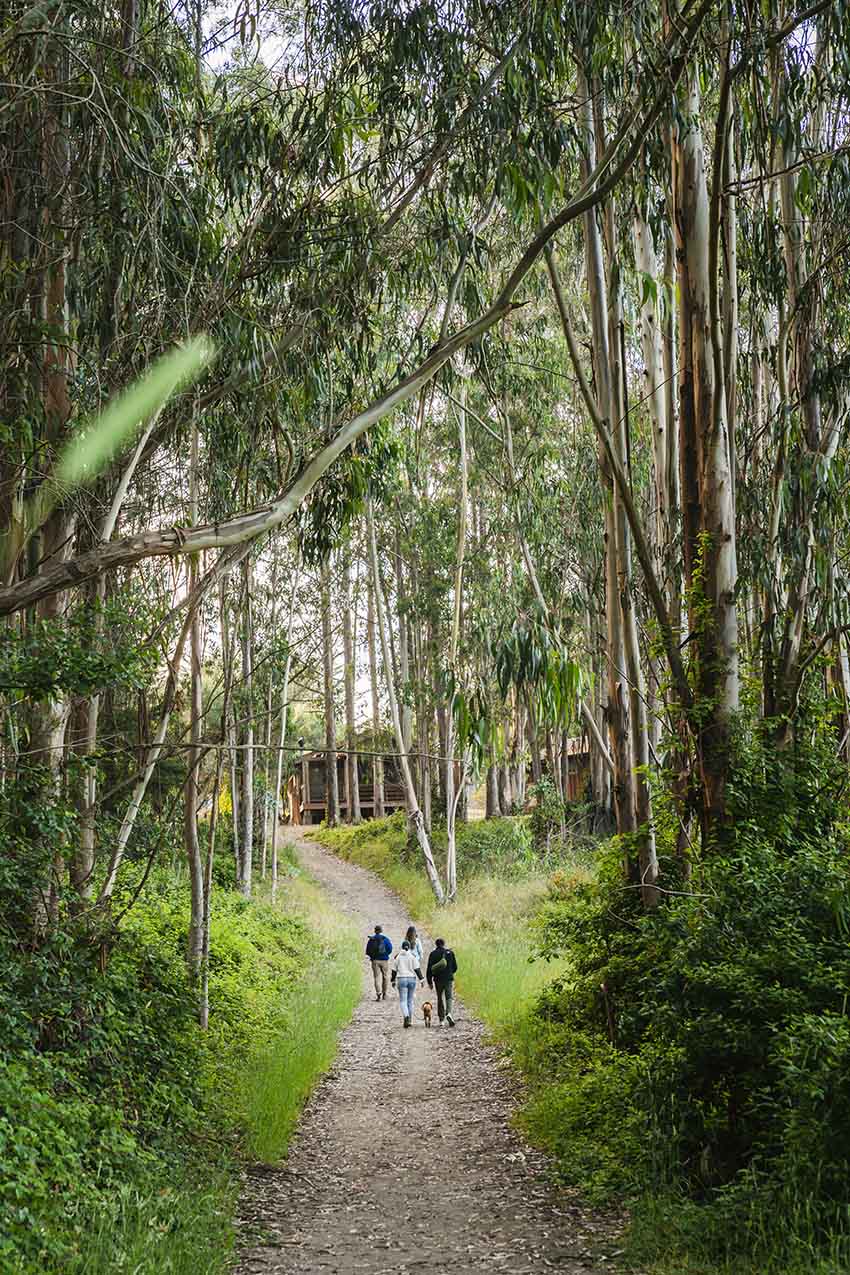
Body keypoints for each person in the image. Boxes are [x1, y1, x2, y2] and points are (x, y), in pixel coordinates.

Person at [391, 940, 424, 1027]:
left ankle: (406, 1016)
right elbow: (417, 969)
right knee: (410, 1000)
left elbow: (394, 970)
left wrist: (393, 981)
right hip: (411, 979)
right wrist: (422, 979)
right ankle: (409, 1020)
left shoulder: (398, 957)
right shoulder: (412, 956)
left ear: (402, 947)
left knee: (403, 1001)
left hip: (401, 979)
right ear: (409, 947)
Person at [426, 937, 458, 1026]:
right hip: (448, 979)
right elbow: (455, 967)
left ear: (436, 944)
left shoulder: (433, 954)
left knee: (440, 998)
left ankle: (441, 1020)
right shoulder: (450, 953)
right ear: (444, 944)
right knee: (449, 997)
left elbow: (429, 969)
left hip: (438, 980)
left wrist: (429, 982)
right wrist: (450, 973)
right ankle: (449, 1013)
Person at [365, 924, 393, 1001]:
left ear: (375, 931)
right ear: (381, 931)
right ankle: (385, 994)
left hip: (375, 961)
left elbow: (367, 951)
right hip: (384, 961)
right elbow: (390, 949)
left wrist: (372, 957)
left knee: (376, 977)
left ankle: (378, 994)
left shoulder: (371, 939)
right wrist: (385, 954)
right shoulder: (386, 939)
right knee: (385, 977)